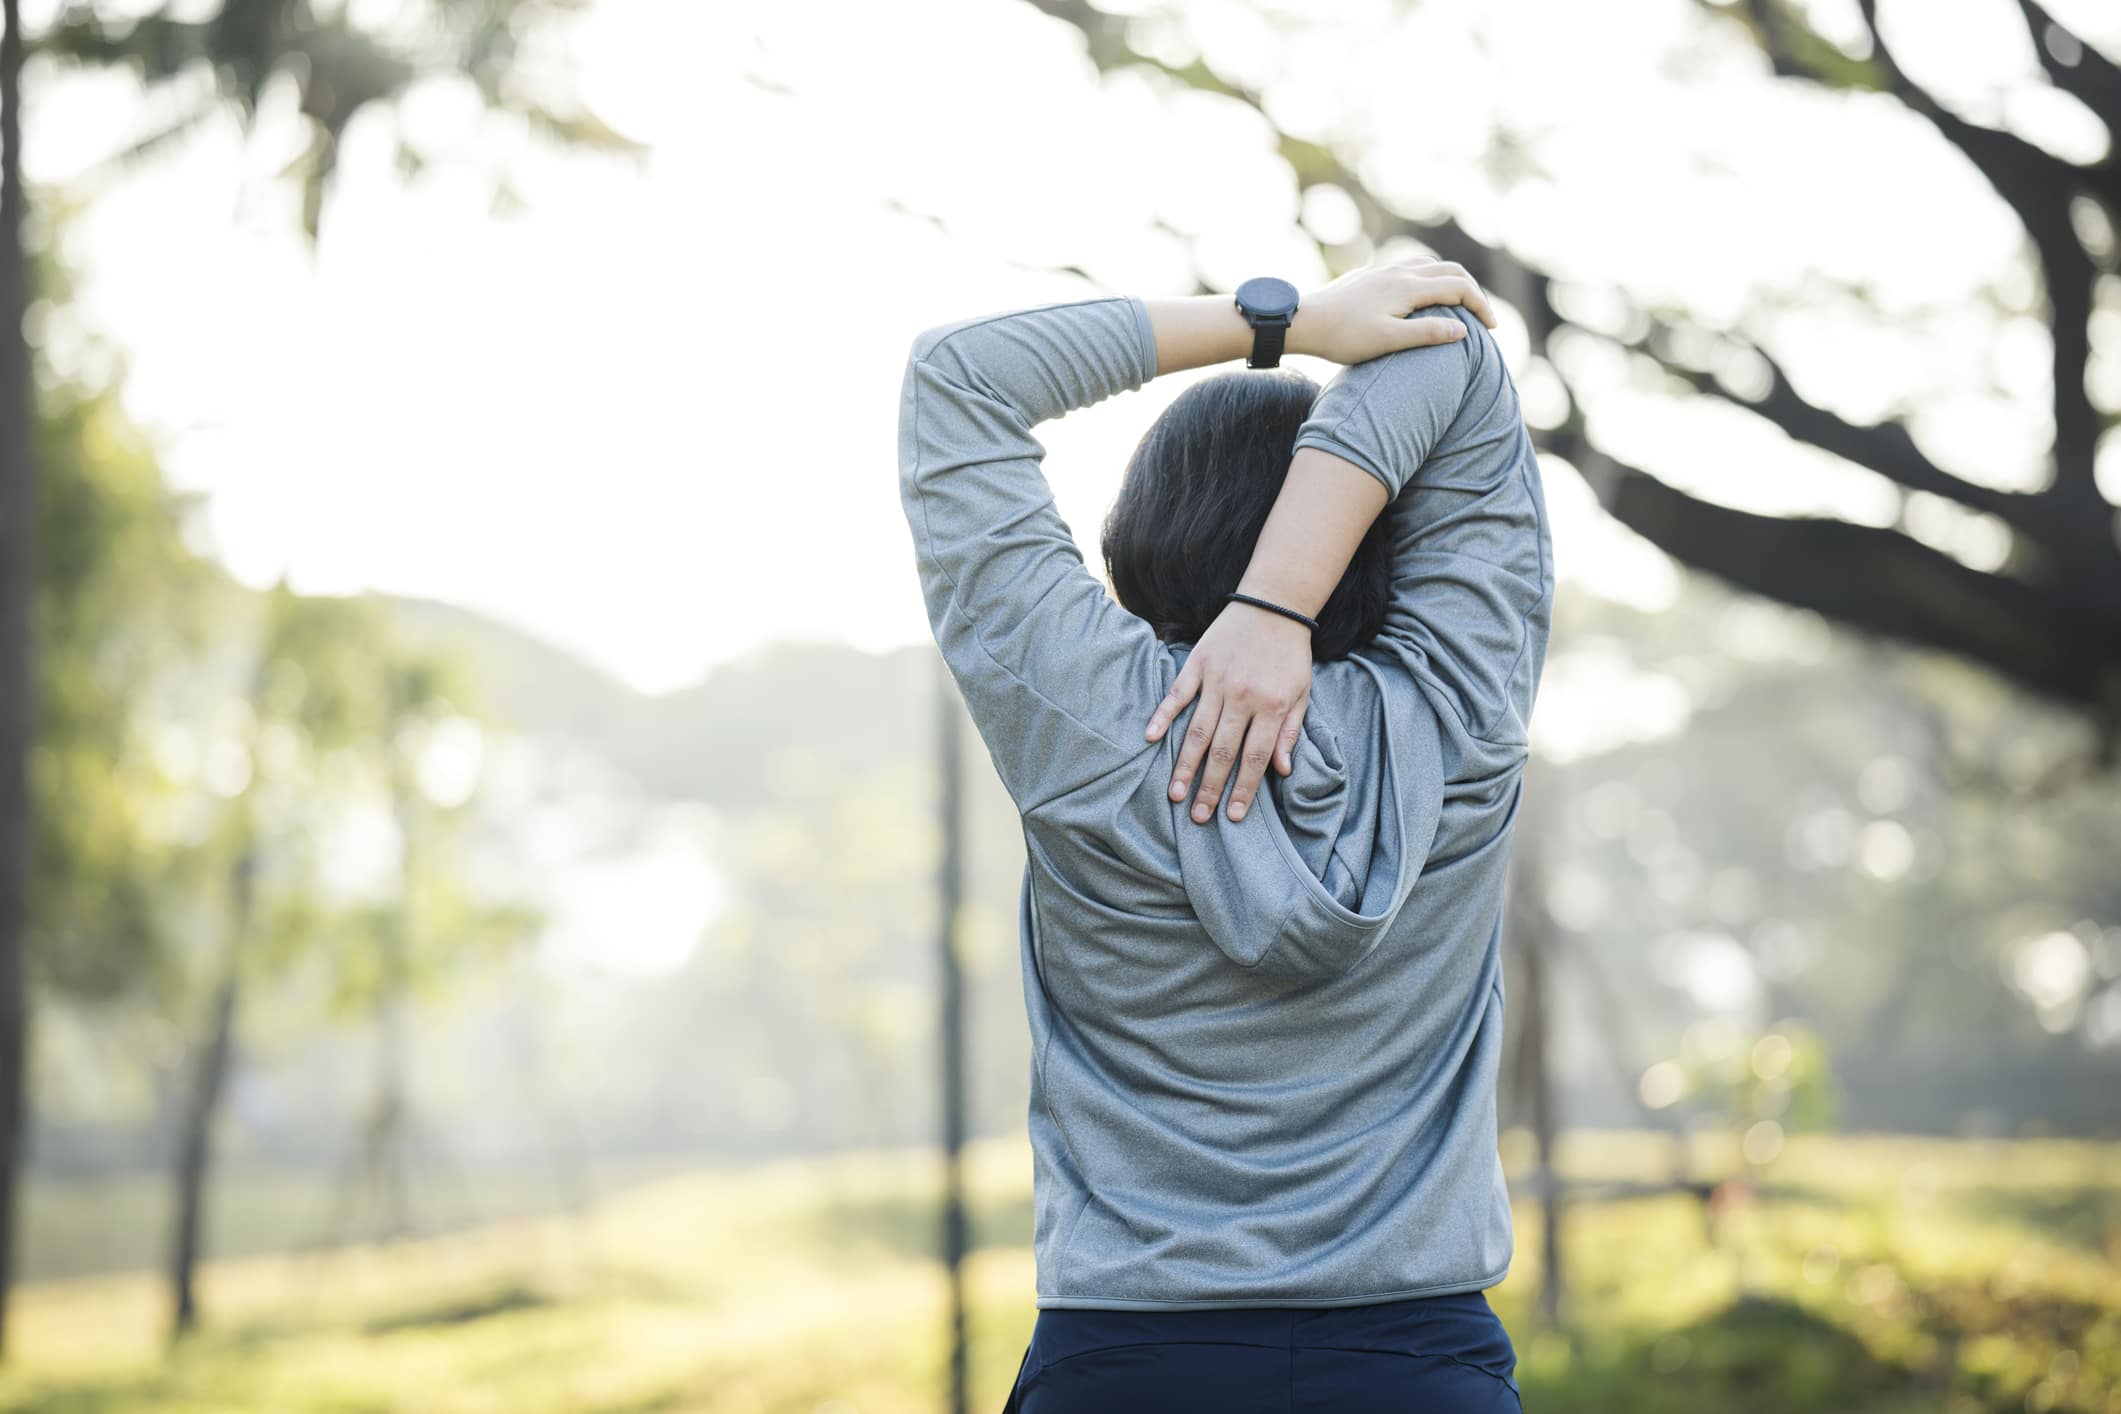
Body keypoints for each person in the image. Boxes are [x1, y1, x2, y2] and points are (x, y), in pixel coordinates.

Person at [896, 255, 1552, 1412]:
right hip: (1419, 1373)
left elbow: (959, 378)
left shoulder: (1085, 720)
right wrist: (1283, 601)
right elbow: (1454, 347)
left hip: (1125, 1369)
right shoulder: (1458, 713)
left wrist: (1287, 325)